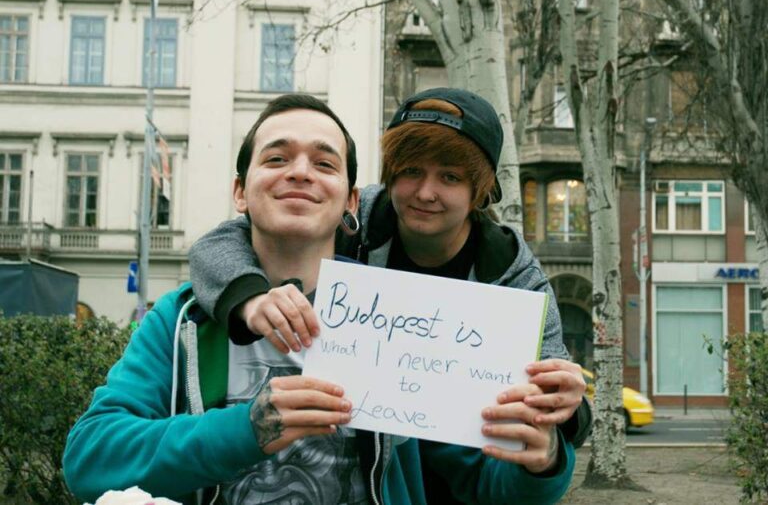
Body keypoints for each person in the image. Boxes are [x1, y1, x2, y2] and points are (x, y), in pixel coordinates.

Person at [63, 93, 575, 505]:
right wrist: (246, 428)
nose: (301, 173)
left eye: (325, 163)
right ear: (240, 192)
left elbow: (484, 481)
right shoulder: (183, 321)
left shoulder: (407, 323)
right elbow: (89, 459)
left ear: (352, 200)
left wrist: (545, 460)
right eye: (277, 158)